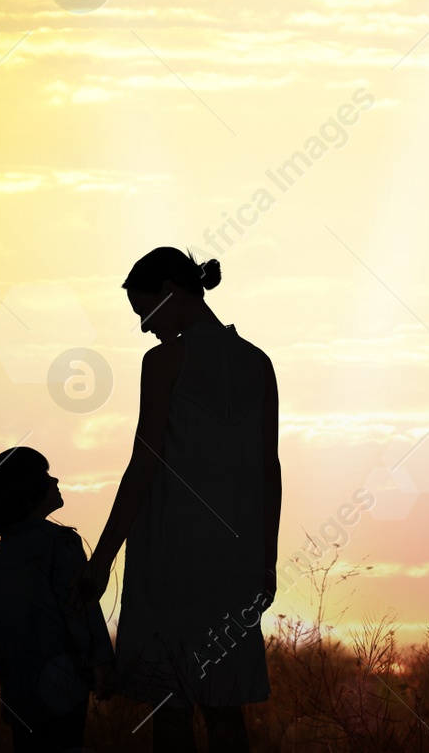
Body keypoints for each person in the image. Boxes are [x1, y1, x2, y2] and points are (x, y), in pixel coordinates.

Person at [75, 247, 282, 753]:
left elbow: (142, 465)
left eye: (145, 312)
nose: (145, 328)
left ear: (170, 293)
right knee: (225, 712)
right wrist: (267, 563)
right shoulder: (259, 363)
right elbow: (269, 472)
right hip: (235, 566)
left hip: (171, 559)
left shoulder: (164, 360)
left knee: (171, 712)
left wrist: (101, 561)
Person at [0, 446, 116, 753]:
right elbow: (80, 610)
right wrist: (102, 662)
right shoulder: (61, 543)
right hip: (64, 685)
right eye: (44, 476)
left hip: (19, 691)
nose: (54, 480)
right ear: (28, 494)